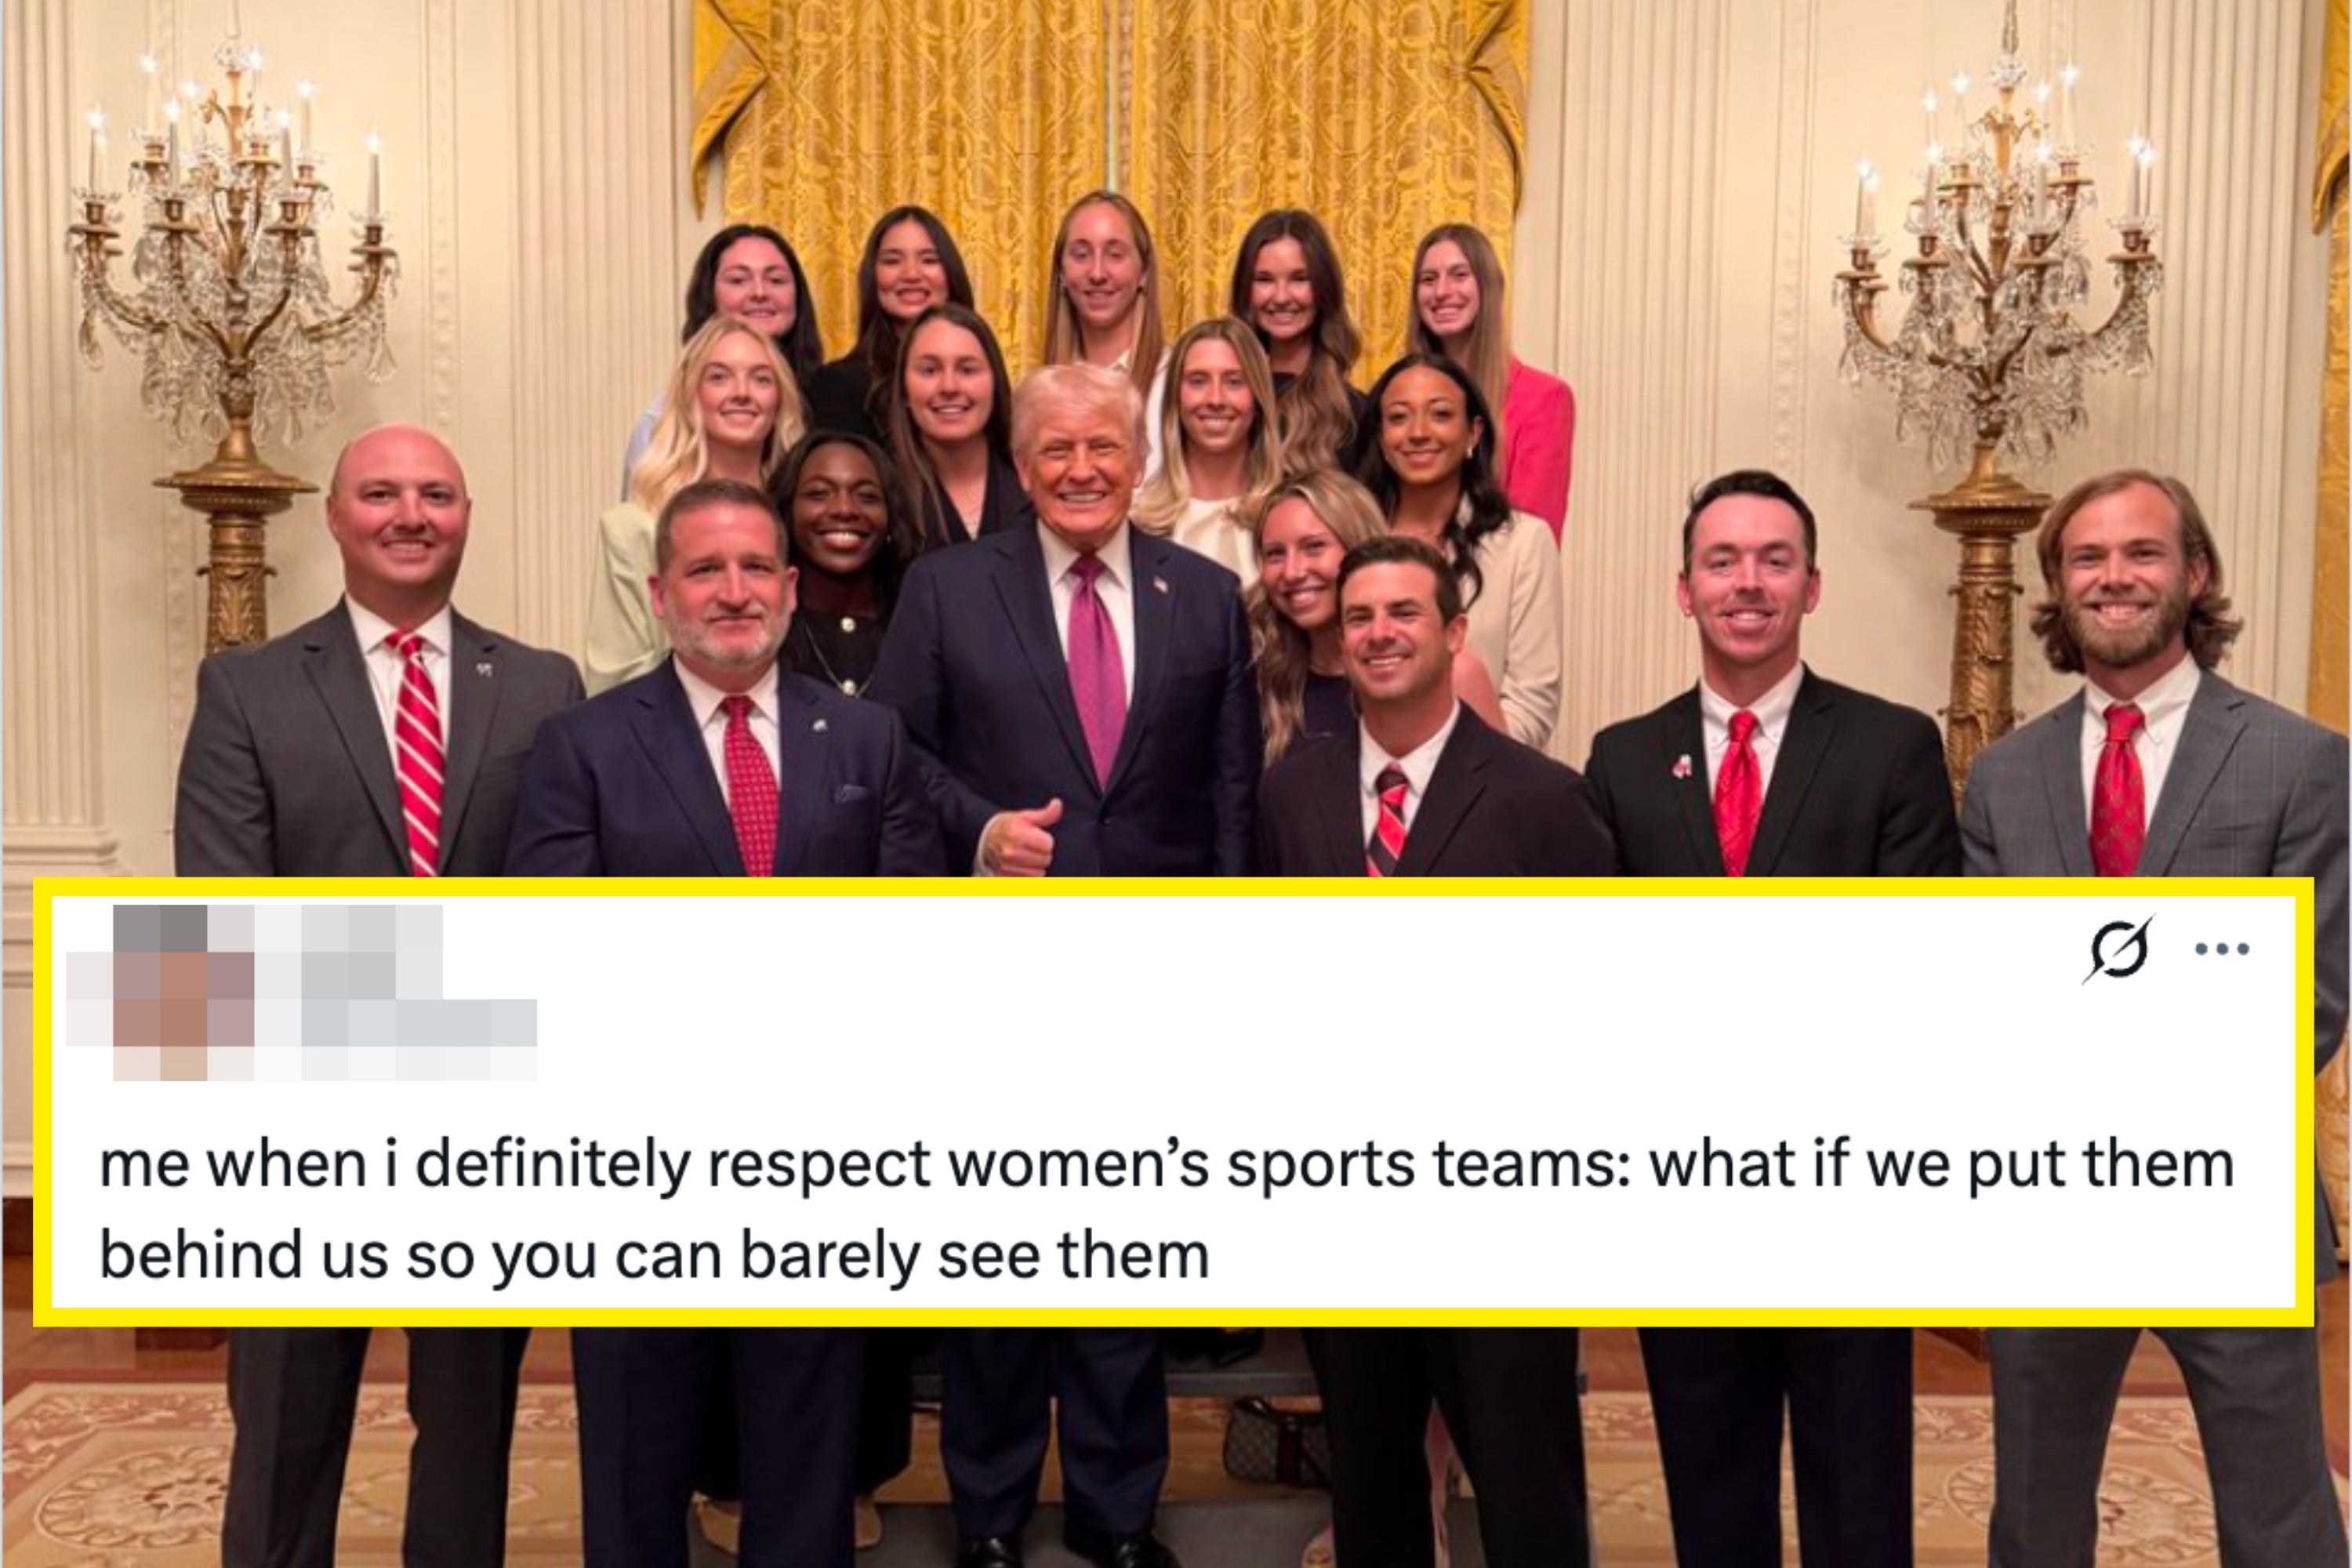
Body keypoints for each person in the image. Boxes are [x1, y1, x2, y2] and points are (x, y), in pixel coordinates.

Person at [174, 423, 580, 1568]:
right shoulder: (246, 688)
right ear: (337, 518)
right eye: (384, 493)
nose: (412, 513)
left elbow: (561, 907)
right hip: (306, 1124)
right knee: (287, 1430)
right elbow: (223, 918)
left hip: (481, 1127)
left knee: (466, 1432)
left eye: (438, 494)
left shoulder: (544, 685)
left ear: (466, 515)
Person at [1962, 469, 2349, 1568]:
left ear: (2196, 573)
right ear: (2055, 587)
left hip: (2226, 1192)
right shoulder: (2003, 778)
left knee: (2279, 1515)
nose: (2114, 577)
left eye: (2141, 553)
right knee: (2035, 1518)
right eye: (2087, 558)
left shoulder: (2302, 763)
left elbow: (2306, 999)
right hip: (2053, 1198)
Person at [1584, 469, 1951, 1568]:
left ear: (1814, 585)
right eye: (1723, 561)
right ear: (1684, 590)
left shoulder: (1894, 745)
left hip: (1848, 1181)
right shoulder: (1622, 758)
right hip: (1687, 1185)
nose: (1749, 583)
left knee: (1859, 1486)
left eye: (1774, 560)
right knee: (1710, 1478)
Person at [868, 362, 1259, 879]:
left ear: (1140, 461)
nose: (1081, 470)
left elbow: (1232, 788)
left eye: (1104, 447)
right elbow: (895, 750)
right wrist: (982, 830)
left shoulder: (1208, 595)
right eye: (1057, 450)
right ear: (1024, 467)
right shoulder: (944, 590)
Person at [508, 478, 940, 877]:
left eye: (756, 567)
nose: (735, 595)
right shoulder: (582, 746)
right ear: (660, 595)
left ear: (789, 589)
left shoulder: (871, 738)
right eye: (705, 570)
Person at [1257, 534, 1610, 877]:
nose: (1380, 634)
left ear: (1454, 634)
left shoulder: (1547, 799)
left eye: (1405, 613)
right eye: (1360, 618)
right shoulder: (1288, 796)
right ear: (1343, 642)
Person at [1356, 354, 1562, 750]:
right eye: (1399, 418)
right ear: (1381, 438)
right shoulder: (1353, 539)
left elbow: (1533, 703)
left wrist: (1459, 773)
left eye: (1440, 415)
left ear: (1473, 432)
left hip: (1481, 781)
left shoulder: (1524, 543)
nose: (1418, 433)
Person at [588, 315, 804, 694]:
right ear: (691, 396)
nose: (742, 392)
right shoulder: (635, 527)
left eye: (761, 378)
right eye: (719, 377)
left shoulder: (801, 523)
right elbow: (616, 686)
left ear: (779, 401)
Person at [1249, 470, 1500, 764]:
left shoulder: (1453, 672)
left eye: (1314, 547)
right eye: (1275, 554)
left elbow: (1503, 793)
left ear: (1358, 546)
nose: (1292, 572)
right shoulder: (1260, 675)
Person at [620, 223, 823, 495]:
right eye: (738, 280)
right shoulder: (661, 424)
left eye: (776, 280)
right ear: (709, 295)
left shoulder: (829, 400)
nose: (760, 293)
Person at [1407, 223, 1574, 539]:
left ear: (1488, 286)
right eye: (1429, 279)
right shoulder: (1399, 399)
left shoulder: (1543, 398)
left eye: (1459, 275)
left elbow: (1532, 538)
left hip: (1497, 582)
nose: (1442, 291)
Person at [774, 431, 927, 699]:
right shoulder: (761, 627)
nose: (844, 509)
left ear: (891, 516)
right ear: (787, 513)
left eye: (867, 496)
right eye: (819, 494)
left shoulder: (922, 624)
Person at [805, 205, 975, 443]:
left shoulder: (980, 380)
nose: (912, 274)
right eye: (893, 261)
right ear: (873, 278)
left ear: (951, 275)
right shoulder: (838, 386)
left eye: (929, 260)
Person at [1132, 318, 1285, 578]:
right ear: (1175, 398)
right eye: (1198, 381)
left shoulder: (1288, 517)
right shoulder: (1136, 521)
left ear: (1258, 398)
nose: (1215, 399)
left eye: (1234, 381)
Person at [1229, 209, 1369, 476]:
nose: (1281, 297)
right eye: (1264, 280)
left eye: (1299, 279)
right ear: (1245, 290)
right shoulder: (1226, 402)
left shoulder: (1355, 416)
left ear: (1324, 288)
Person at [884, 303, 1033, 546]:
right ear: (903, 390)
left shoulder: (1034, 481)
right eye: (929, 370)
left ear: (995, 384)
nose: (949, 387)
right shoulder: (881, 491)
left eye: (967, 369)